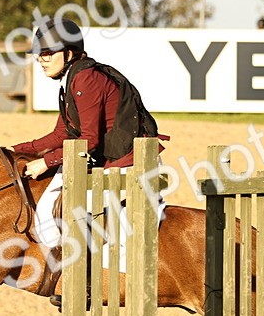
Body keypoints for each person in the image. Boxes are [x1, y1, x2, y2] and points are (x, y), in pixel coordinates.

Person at [13, 17, 163, 253]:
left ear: (70, 53)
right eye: (39, 54)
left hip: (130, 161)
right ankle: (64, 277)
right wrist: (18, 149)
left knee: (63, 218)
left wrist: (46, 161)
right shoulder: (71, 79)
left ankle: (76, 276)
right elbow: (61, 134)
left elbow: (89, 140)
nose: (42, 60)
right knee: (46, 213)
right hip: (110, 158)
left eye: (48, 53)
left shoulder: (86, 79)